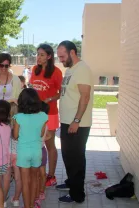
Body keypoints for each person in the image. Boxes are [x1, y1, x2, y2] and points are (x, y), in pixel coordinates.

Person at [56, 40, 93, 203]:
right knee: (67, 156)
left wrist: (76, 120)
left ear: (72, 53)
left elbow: (85, 97)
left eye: (62, 56)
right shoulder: (71, 70)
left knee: (76, 159)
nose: (61, 60)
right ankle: (72, 183)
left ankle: (77, 195)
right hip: (67, 121)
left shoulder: (82, 69)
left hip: (77, 123)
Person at [29, 44, 63, 187]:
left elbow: (61, 93)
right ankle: (37, 172)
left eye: (42, 54)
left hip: (50, 113)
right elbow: (32, 88)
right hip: (34, 113)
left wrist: (49, 100)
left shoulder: (56, 72)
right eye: (38, 54)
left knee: (49, 145)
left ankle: (51, 175)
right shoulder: (34, 70)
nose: (39, 57)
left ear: (49, 56)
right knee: (36, 144)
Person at [14, 88, 48, 208]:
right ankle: (33, 205)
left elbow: (15, 135)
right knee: (34, 179)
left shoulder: (18, 117)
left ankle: (27, 206)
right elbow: (41, 133)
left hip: (23, 152)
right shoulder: (43, 116)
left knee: (25, 182)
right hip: (37, 151)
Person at [2, 102, 22, 207]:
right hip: (18, 154)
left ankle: (3, 200)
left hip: (7, 154)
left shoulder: (4, 124)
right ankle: (16, 199)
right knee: (18, 178)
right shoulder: (20, 123)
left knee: (6, 178)